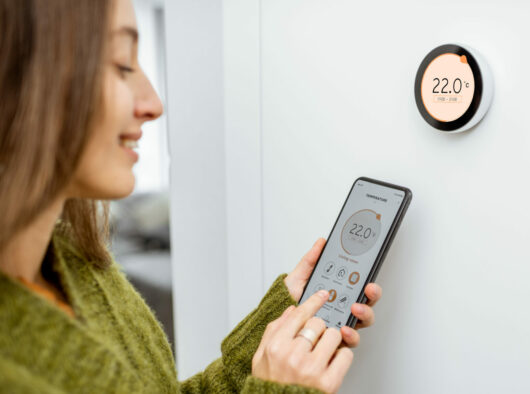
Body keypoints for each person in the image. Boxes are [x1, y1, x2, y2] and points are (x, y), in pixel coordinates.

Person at [0, 0, 383, 392]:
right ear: (19, 79)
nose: (154, 104)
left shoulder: (77, 262)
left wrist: (275, 339)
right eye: (120, 65)